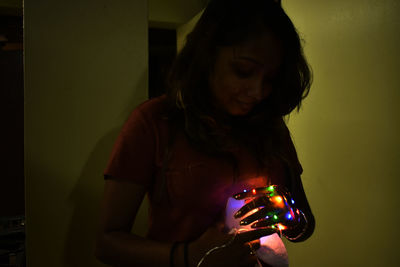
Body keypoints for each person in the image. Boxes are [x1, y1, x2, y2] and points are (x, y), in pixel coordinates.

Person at [95, 0, 315, 266]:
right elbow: (107, 244)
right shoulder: (153, 122)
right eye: (243, 71)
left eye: (270, 79)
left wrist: (291, 217)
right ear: (207, 55)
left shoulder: (271, 127)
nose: (258, 92)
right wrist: (190, 257)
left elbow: (305, 223)